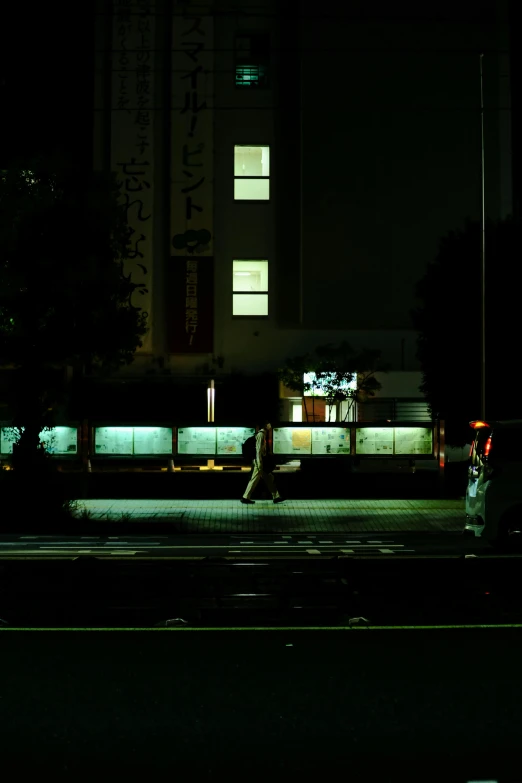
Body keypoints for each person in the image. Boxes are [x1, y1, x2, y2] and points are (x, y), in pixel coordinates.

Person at [241, 420, 285, 504]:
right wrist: (259, 462)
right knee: (255, 479)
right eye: (268, 424)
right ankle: (245, 497)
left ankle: (276, 496)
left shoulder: (263, 434)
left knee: (268, 478)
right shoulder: (261, 434)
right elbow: (258, 450)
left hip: (261, 461)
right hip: (259, 461)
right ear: (265, 425)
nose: (270, 425)